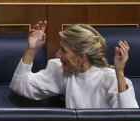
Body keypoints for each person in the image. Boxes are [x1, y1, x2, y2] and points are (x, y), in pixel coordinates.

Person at [10, 21, 139, 108]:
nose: (57, 55)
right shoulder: (62, 71)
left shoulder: (112, 79)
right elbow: (19, 86)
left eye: (63, 51)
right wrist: (32, 49)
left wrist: (120, 73)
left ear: (81, 57)